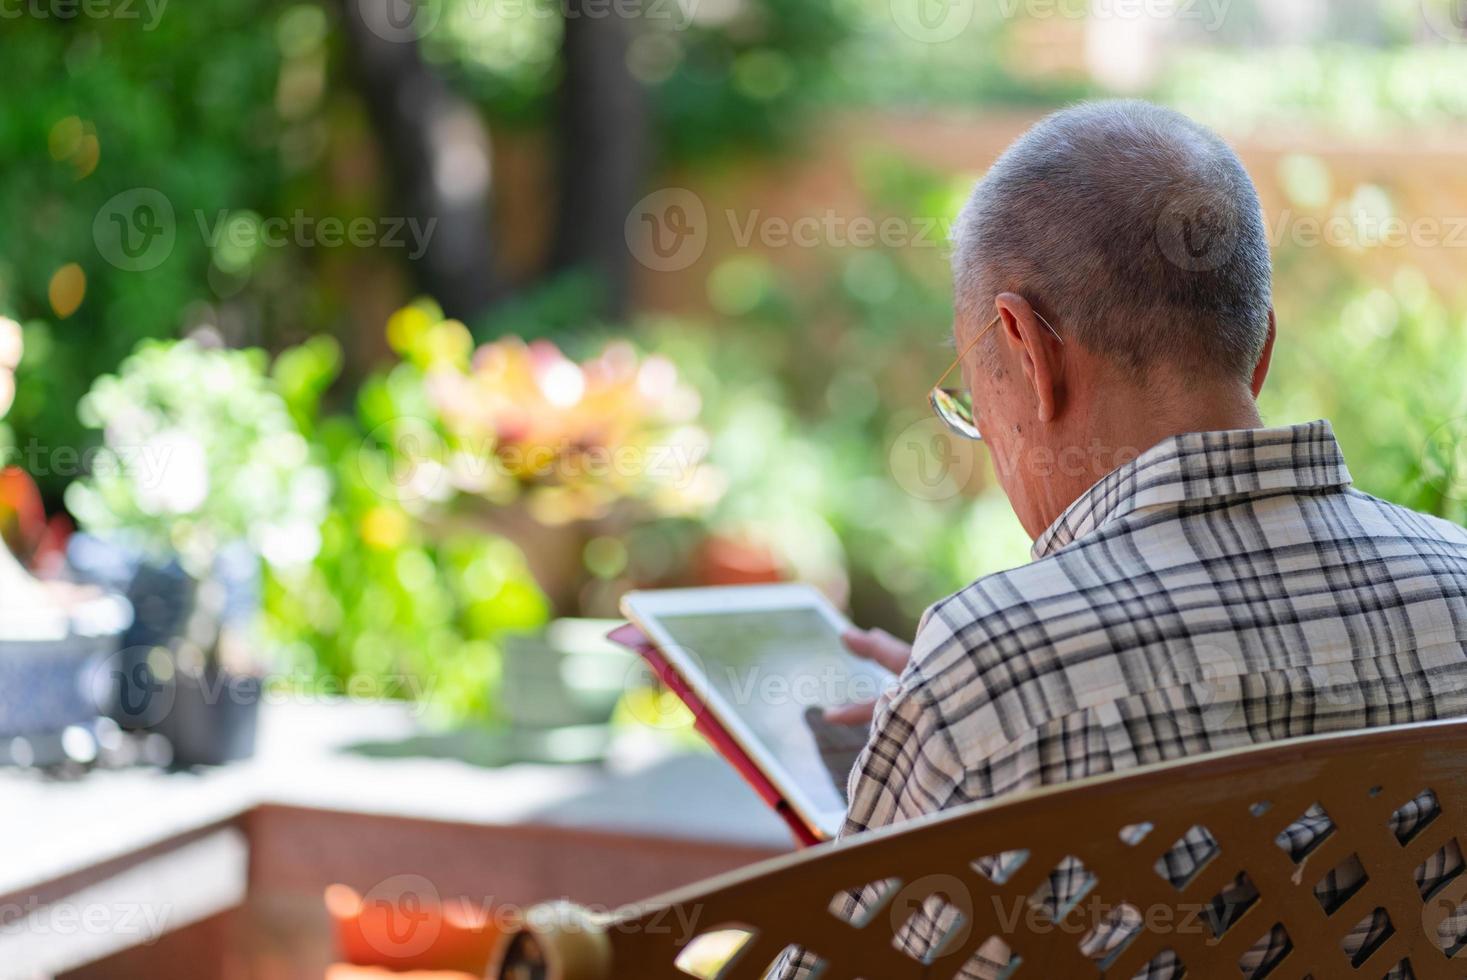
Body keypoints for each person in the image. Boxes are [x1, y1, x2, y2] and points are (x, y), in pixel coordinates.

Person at [786, 100, 1467, 979]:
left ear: (1028, 351)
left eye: (969, 405)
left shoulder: (990, 670)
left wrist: (978, 708)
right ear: (1258, 352)